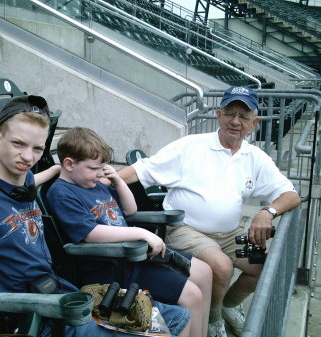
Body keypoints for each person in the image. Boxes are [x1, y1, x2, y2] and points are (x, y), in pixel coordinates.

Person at [0, 96, 191, 337]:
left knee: (177, 317)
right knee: (159, 330)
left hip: (62, 293)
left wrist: (55, 170)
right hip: (35, 313)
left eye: (37, 149)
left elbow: (25, 182)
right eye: (18, 144)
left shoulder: (22, 185)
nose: (28, 156)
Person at [117, 86, 302, 337]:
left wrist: (267, 212)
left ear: (254, 123)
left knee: (262, 267)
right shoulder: (191, 146)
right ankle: (213, 322)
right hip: (185, 228)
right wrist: (95, 181)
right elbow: (141, 171)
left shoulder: (255, 157)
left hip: (228, 233)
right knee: (222, 267)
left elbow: (291, 195)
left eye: (244, 116)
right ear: (218, 114)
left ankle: (226, 306)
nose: (235, 121)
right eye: (229, 113)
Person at [46, 127, 212, 337]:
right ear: (69, 164)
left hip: (135, 256)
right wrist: (142, 233)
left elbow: (130, 209)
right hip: (112, 267)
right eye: (93, 168)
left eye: (102, 168)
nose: (100, 174)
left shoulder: (93, 183)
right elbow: (91, 233)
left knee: (205, 272)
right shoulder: (62, 193)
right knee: (193, 296)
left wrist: (117, 180)